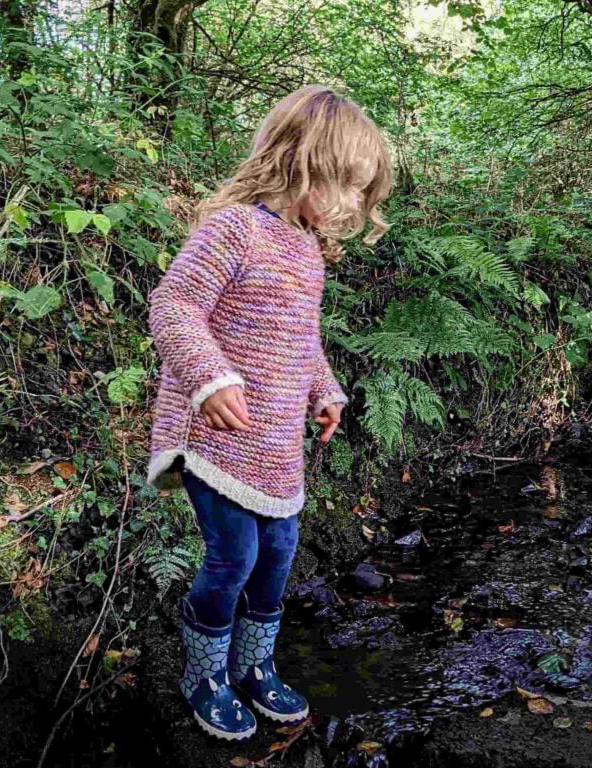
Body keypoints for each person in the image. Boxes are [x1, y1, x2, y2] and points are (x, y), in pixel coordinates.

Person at [145, 85, 392, 741]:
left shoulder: (306, 249)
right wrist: (208, 375)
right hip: (217, 436)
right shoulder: (234, 229)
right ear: (299, 157)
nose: (347, 204)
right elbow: (174, 306)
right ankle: (205, 674)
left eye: (358, 191)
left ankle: (254, 665)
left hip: (276, 443)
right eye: (342, 184)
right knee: (233, 554)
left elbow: (300, 340)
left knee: (279, 552)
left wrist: (326, 391)